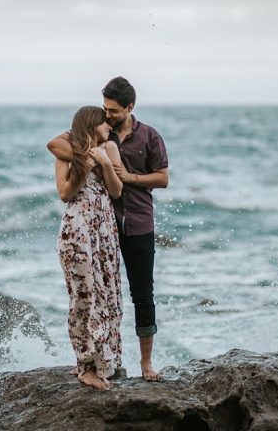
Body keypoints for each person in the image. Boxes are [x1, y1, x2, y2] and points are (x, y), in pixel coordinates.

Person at [48, 77, 169, 381]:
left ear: (130, 107)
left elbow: (163, 178)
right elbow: (55, 144)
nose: (109, 116)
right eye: (105, 109)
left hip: (139, 221)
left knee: (142, 293)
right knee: (99, 294)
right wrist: (89, 156)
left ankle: (145, 363)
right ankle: (95, 361)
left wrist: (129, 177)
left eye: (114, 111)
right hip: (104, 229)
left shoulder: (149, 136)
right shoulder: (98, 131)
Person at [54, 105, 125, 390]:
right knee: (84, 297)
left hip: (104, 231)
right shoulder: (67, 154)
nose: (109, 126)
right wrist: (85, 165)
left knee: (109, 295)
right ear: (90, 125)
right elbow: (64, 193)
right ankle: (85, 366)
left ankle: (106, 361)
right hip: (78, 230)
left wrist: (106, 164)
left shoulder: (109, 148)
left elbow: (117, 191)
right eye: (103, 122)